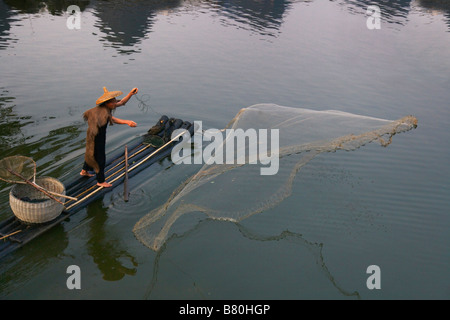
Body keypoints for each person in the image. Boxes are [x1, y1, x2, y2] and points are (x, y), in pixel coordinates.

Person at [80, 87, 138, 187]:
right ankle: (100, 181)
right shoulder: (102, 112)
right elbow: (112, 119)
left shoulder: (107, 107)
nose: (115, 103)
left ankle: (84, 171)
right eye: (113, 102)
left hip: (92, 135)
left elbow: (122, 102)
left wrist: (130, 94)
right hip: (96, 137)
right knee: (100, 159)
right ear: (107, 103)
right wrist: (127, 122)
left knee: (91, 153)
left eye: (115, 101)